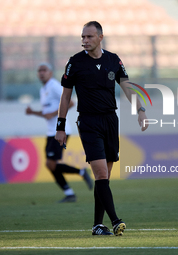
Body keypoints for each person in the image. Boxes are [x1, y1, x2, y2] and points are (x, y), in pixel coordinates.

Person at [55, 21, 148, 236]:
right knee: (101, 174)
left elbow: (127, 88)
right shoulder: (75, 62)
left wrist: (141, 111)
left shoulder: (113, 60)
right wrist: (60, 126)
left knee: (103, 177)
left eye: (88, 37)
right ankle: (115, 220)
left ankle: (97, 225)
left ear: (100, 37)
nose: (84, 41)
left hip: (110, 121)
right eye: (82, 37)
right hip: (88, 122)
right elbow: (66, 96)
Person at [26, 62, 93, 203]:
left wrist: (52, 113)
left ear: (50, 72)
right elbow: (47, 114)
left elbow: (71, 103)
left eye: (44, 70)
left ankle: (78, 177)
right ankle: (70, 192)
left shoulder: (54, 86)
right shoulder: (43, 89)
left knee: (51, 163)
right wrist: (33, 112)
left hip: (61, 131)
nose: (41, 73)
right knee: (50, 164)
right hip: (51, 132)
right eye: (39, 70)